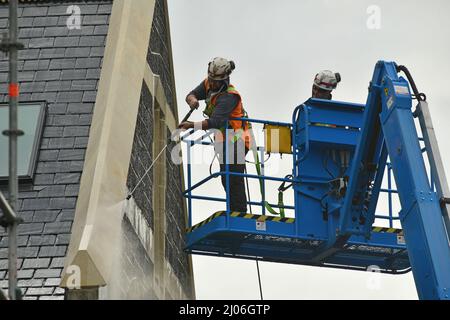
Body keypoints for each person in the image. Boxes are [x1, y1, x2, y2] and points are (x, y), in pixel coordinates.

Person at [179, 57, 251, 213]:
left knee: (233, 178)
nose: (211, 84)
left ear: (224, 80)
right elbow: (191, 94)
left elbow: (215, 122)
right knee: (227, 179)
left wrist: (192, 125)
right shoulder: (208, 84)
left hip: (237, 140)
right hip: (223, 141)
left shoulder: (229, 96)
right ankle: (235, 211)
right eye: (210, 79)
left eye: (215, 81)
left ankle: (239, 214)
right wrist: (192, 101)